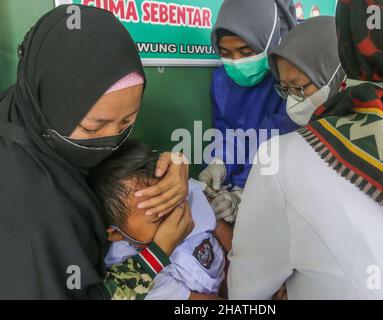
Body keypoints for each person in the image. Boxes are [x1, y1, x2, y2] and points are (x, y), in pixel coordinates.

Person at [227, 0, 383, 298]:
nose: (292, 99)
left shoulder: (287, 160)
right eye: (286, 89)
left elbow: (246, 294)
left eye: (300, 87)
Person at [0, 5, 193, 299]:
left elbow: (106, 163)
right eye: (93, 128)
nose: (110, 141)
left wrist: (169, 162)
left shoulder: (25, 108)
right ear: (50, 104)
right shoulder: (33, 218)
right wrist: (156, 254)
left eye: (128, 122)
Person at [89, 140, 233, 300]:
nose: (173, 218)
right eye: (156, 218)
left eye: (170, 203)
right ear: (116, 234)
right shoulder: (133, 271)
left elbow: (228, 239)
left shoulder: (181, 192)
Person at [199, 0, 298, 223]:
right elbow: (227, 132)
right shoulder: (222, 80)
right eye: (225, 53)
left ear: (269, 42)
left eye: (246, 51)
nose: (236, 62)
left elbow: (281, 141)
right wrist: (219, 162)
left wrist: (244, 191)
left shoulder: (290, 81)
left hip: (280, 186)